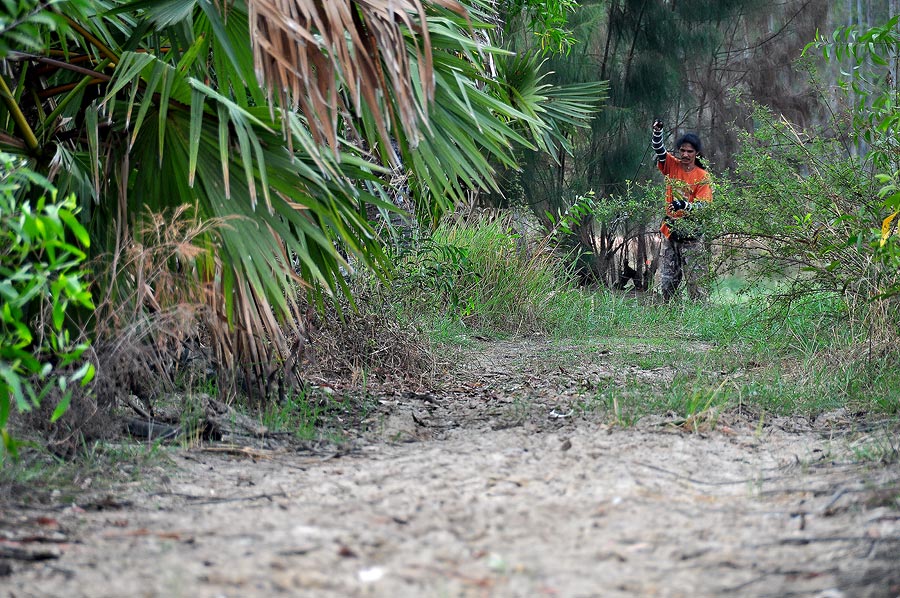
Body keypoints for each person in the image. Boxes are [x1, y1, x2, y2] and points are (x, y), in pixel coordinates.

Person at [651, 119, 713, 301]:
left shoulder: (702, 176)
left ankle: (700, 316)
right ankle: (667, 314)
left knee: (697, 283)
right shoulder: (672, 165)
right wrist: (657, 132)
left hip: (691, 234)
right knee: (667, 281)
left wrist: (684, 205)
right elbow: (659, 151)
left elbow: (704, 206)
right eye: (683, 150)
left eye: (690, 151)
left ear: (696, 153)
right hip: (671, 231)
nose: (685, 154)